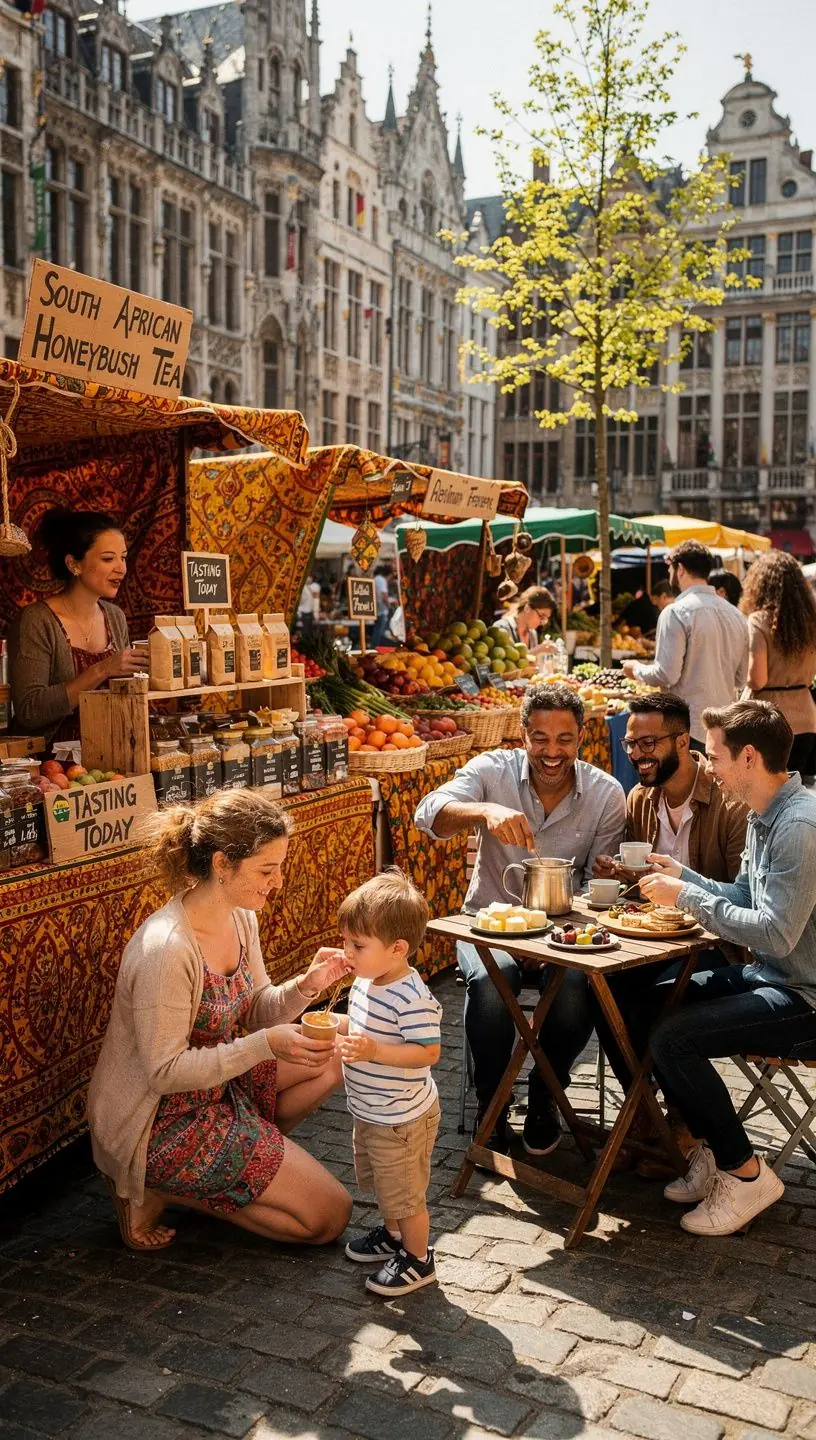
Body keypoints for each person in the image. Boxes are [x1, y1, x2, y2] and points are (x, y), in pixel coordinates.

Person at [88, 789, 354, 1251]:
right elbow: (164, 1072)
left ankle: (236, 1163)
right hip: (157, 1118)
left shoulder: (238, 916)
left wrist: (308, 985)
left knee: (334, 1050)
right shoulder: (167, 948)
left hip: (215, 1087)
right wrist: (265, 1045)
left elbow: (255, 1008)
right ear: (221, 864)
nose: (277, 882)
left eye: (279, 867)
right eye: (266, 870)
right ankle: (161, 1187)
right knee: (329, 1218)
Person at [415, 682, 625, 1156]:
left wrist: (557, 933)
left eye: (564, 740)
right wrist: (483, 810)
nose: (552, 752)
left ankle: (545, 1095)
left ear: (581, 736)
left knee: (576, 987)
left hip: (565, 930)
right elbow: (427, 813)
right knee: (493, 982)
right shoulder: (493, 769)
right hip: (488, 922)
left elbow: (599, 885)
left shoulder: (606, 794)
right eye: (540, 738)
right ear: (523, 734)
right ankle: (493, 1101)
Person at [639, 701, 816, 1236]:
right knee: (653, 1001)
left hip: (806, 995)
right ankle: (714, 1149)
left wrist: (687, 899)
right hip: (775, 975)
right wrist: (687, 878)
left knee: (673, 1037)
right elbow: (743, 895)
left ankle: (745, 1173)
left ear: (748, 757)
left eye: (714, 755)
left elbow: (774, 932)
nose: (707, 764)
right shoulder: (767, 814)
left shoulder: (799, 827)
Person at [592, 693, 748, 1166]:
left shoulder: (729, 801)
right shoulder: (640, 800)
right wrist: (623, 875)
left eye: (648, 743)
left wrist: (682, 892)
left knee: (656, 997)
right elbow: (641, 885)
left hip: (719, 945)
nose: (636, 753)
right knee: (598, 986)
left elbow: (745, 896)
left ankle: (680, 1119)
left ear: (683, 740)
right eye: (630, 743)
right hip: (654, 941)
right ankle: (643, 1109)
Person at [337, 870, 442, 1296]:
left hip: (401, 1119)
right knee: (386, 1184)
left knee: (407, 1195)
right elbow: (363, 1026)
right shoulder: (366, 981)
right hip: (374, 1112)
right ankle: (395, 1236)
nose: (347, 951)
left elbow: (427, 1052)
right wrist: (337, 1026)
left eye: (357, 945)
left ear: (398, 949)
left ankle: (418, 1258)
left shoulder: (410, 996)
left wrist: (373, 1052)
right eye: (346, 940)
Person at [8, 508, 144, 748]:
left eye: (123, 557)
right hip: (49, 765)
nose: (121, 568)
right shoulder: (37, 621)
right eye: (108, 558)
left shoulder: (115, 617)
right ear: (74, 564)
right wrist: (102, 670)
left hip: (111, 755)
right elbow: (30, 710)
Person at [623, 540, 748, 749]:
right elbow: (741, 678)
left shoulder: (675, 612)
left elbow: (666, 674)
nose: (669, 573)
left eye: (670, 568)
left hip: (686, 727)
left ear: (679, 569)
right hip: (723, 728)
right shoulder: (735, 615)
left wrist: (635, 669)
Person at [739, 549, 816, 780]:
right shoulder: (811, 620)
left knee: (768, 797)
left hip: (768, 719)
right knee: (794, 794)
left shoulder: (759, 621)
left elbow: (757, 679)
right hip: (806, 716)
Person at [495, 585, 559, 657]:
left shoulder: (532, 633)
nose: (543, 622)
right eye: (542, 616)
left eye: (546, 618)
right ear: (527, 608)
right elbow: (505, 662)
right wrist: (537, 650)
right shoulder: (502, 628)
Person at [371, 564, 393, 648]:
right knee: (379, 631)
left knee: (377, 630)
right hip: (382, 609)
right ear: (389, 574)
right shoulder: (382, 580)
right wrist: (389, 605)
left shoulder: (376, 578)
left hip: (376, 609)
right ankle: (375, 648)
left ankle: (375, 647)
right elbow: (384, 596)